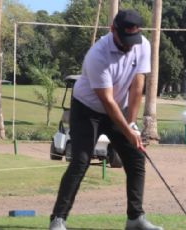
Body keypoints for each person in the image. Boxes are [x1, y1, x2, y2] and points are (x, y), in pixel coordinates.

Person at [49, 9, 163, 230]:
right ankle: (57, 219)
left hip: (118, 109)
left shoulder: (142, 45)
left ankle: (135, 219)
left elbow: (137, 86)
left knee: (136, 158)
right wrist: (128, 131)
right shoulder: (97, 55)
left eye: (134, 38)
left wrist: (131, 125)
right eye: (125, 39)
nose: (130, 45)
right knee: (80, 160)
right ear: (113, 30)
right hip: (87, 110)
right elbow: (107, 101)